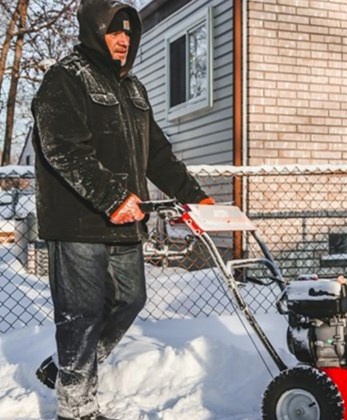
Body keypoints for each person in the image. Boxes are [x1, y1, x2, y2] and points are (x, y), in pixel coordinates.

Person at [31, 1, 214, 419]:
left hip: (126, 221)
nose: (123, 41)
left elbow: (159, 155)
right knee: (81, 313)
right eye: (115, 32)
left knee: (131, 299)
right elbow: (63, 149)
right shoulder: (65, 78)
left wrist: (195, 195)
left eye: (130, 34)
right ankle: (75, 406)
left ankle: (68, 369)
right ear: (95, 31)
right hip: (79, 220)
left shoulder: (133, 89)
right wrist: (111, 198)